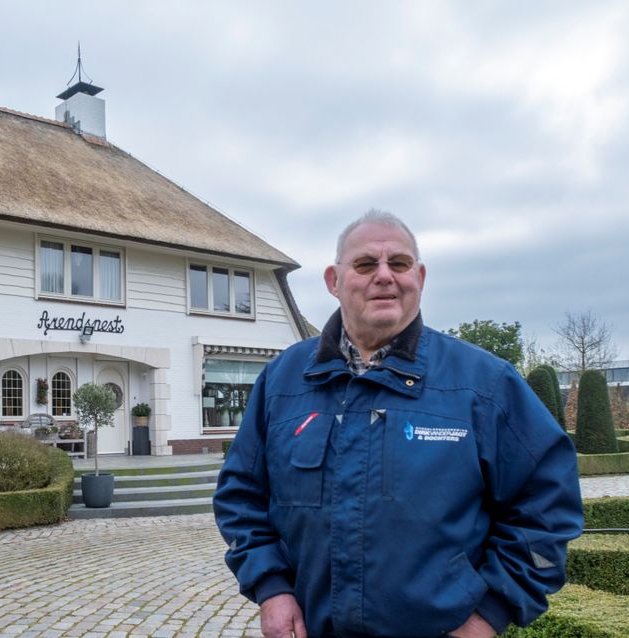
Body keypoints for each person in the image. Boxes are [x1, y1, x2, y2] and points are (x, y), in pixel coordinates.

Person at [213, 210, 583, 638]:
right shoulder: (282, 382)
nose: (384, 276)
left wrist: (490, 613)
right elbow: (240, 497)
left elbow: (547, 508)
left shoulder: (484, 385)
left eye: (400, 264)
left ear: (419, 277)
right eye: (366, 264)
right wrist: (271, 588)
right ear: (334, 281)